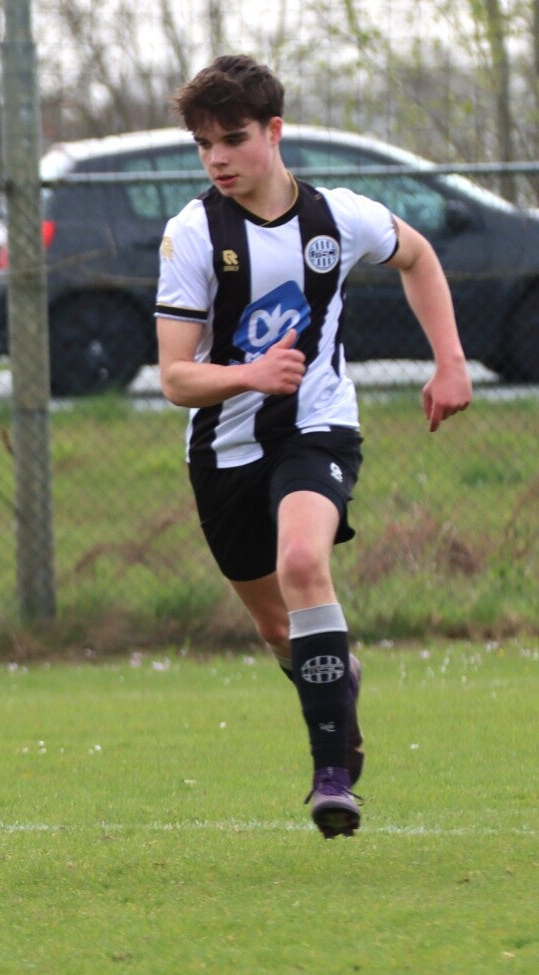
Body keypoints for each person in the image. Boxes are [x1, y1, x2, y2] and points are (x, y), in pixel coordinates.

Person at [154, 54, 472, 839]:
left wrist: (449, 361)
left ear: (274, 131)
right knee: (277, 630)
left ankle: (332, 775)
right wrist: (248, 374)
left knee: (303, 561)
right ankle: (337, 679)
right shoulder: (193, 234)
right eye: (202, 144)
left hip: (316, 425)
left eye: (232, 138)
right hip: (223, 450)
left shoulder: (338, 218)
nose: (216, 158)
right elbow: (175, 378)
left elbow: (417, 255)